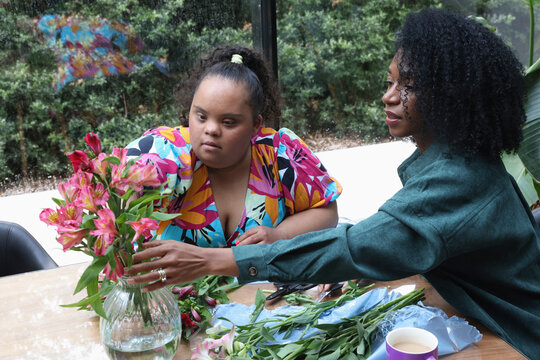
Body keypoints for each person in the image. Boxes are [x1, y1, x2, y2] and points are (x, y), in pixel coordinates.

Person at [127, 9, 540, 359]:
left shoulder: (461, 178)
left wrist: (218, 260)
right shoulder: (452, 163)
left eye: (407, 86)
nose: (389, 97)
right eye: (390, 81)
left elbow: (361, 243)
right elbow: (391, 241)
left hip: (521, 334)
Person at [125, 44, 341, 249]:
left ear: (255, 124)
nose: (211, 129)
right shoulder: (166, 150)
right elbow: (119, 196)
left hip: (264, 287)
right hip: (173, 287)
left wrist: (279, 235)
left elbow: (326, 212)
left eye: (228, 122)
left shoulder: (280, 153)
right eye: (201, 116)